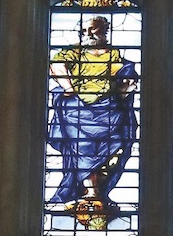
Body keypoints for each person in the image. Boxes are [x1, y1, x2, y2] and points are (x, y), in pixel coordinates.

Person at [46, 16, 139, 218]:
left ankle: (99, 190)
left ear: (105, 30)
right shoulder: (74, 52)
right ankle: (91, 193)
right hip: (78, 110)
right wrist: (69, 88)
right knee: (82, 148)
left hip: (109, 109)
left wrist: (125, 87)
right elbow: (56, 64)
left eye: (93, 30)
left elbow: (125, 80)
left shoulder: (115, 54)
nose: (88, 34)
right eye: (84, 30)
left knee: (115, 146)